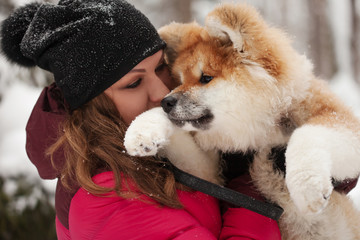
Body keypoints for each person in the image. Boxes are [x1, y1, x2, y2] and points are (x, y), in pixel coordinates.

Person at [0, 0, 283, 239]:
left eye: (160, 66)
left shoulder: (155, 146)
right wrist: (255, 188)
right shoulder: (105, 199)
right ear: (92, 104)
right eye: (133, 84)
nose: (162, 92)